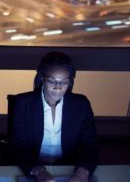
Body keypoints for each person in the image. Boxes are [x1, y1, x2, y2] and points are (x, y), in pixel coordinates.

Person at [8, 51, 99, 182]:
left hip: (69, 169)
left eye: (64, 82)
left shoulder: (81, 105)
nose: (58, 88)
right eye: (52, 81)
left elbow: (90, 144)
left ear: (70, 83)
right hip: (33, 168)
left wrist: (82, 172)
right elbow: (18, 145)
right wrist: (39, 171)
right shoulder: (22, 104)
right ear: (42, 79)